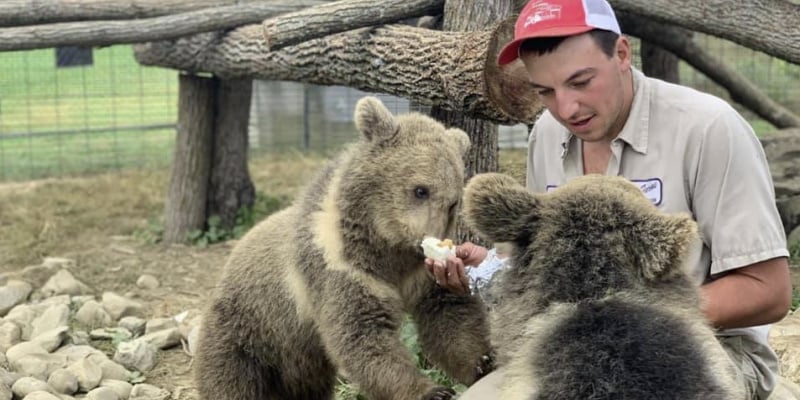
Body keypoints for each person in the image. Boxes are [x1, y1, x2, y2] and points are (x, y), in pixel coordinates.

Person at [424, 0, 794, 398]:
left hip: (705, 345)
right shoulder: (547, 133)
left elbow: (768, 291)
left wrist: (623, 319)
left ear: (621, 53)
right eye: (545, 91)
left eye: (581, 82)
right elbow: (542, 267)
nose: (566, 108)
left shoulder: (708, 128)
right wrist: (490, 270)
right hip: (562, 350)